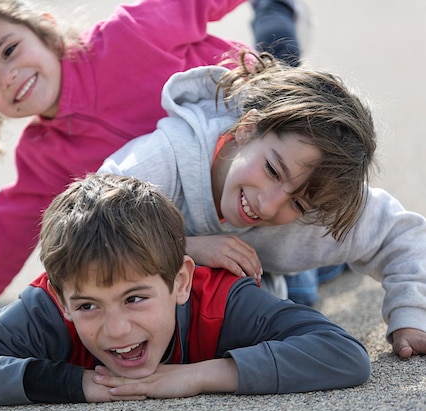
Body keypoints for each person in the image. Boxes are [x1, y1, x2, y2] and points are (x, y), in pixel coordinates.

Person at [0, 0, 300, 353]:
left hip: (255, 141)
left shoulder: (131, 34)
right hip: (209, 218)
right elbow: (4, 242)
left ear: (46, 29)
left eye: (9, 50)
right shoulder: (41, 156)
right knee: (295, 282)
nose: (8, 76)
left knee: (286, 57)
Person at [0, 173, 370, 408]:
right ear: (62, 300)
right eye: (87, 306)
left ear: (180, 282)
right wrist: (68, 383)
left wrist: (201, 375)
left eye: (135, 298)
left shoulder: (222, 302)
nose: (116, 329)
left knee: (307, 279)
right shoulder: (48, 309)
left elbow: (344, 354)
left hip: (264, 278)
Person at [97, 51, 426, 358]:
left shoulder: (320, 203)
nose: (268, 206)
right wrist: (187, 246)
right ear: (247, 128)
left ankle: (325, 267)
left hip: (277, 270)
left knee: (304, 285)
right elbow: (82, 224)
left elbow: (401, 235)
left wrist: (410, 315)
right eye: (272, 170)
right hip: (249, 274)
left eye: (297, 204)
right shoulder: (159, 162)